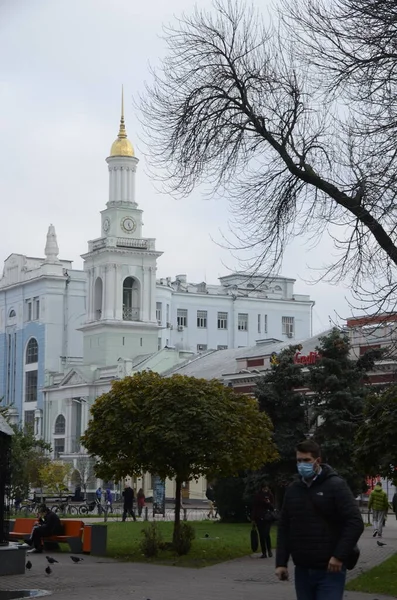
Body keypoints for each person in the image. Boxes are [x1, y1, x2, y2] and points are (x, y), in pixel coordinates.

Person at [276, 439, 364, 600]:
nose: (302, 464)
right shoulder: (293, 490)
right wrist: (281, 562)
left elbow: (355, 522)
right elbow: (284, 527)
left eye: (306, 460)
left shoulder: (336, 486)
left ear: (318, 461)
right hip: (303, 569)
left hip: (330, 569)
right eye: (299, 460)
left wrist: (339, 556)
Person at [252, 483, 274, 558]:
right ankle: (264, 552)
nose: (265, 490)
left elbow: (272, 507)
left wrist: (269, 503)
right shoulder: (258, 496)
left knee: (266, 534)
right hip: (259, 517)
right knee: (261, 535)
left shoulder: (270, 495)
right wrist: (253, 518)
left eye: (266, 489)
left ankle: (269, 550)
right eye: (264, 489)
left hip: (267, 517)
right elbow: (255, 507)